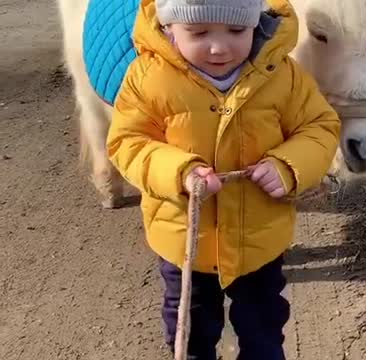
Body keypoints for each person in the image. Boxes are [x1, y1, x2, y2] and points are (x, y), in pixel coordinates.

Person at [105, 0, 341, 358]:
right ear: (169, 28)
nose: (219, 47)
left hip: (258, 237)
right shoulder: (147, 78)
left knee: (263, 326)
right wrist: (178, 172)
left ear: (255, 24)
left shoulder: (281, 74)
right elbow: (129, 143)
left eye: (236, 31)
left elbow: (319, 126)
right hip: (186, 240)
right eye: (198, 33)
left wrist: (289, 165)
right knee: (190, 327)